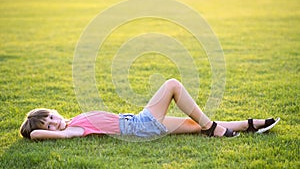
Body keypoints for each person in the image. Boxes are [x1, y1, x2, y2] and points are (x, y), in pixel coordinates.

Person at [20, 79, 280, 140]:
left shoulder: (73, 118)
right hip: (139, 125)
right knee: (172, 85)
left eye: (51, 117)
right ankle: (213, 128)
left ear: (54, 110)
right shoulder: (72, 129)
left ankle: (250, 124)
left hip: (138, 123)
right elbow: (36, 135)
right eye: (50, 125)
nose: (55, 123)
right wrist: (36, 130)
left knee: (194, 124)